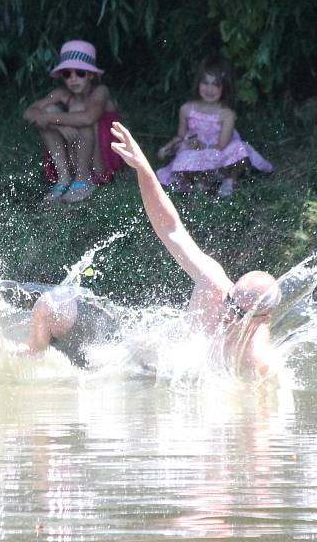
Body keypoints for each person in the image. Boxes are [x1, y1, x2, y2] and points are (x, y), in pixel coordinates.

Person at [28, 121, 282, 377]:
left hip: (149, 388)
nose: (229, 311)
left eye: (239, 313)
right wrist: (143, 167)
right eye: (231, 300)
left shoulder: (257, 361)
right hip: (133, 364)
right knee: (50, 305)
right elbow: (170, 228)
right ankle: (28, 363)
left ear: (262, 320)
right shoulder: (214, 284)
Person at [155, 55, 273, 197]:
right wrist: (167, 147)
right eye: (205, 83)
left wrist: (204, 146)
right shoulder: (187, 109)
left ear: (225, 87)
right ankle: (202, 182)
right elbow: (180, 136)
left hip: (217, 150)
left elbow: (222, 145)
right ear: (198, 83)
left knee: (239, 149)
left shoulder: (226, 114)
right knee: (184, 157)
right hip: (195, 150)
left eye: (216, 84)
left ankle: (229, 180)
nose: (209, 89)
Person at [23, 40, 122, 203]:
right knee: (49, 109)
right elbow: (29, 113)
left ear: (91, 75)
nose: (73, 78)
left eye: (80, 73)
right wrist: (56, 125)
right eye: (67, 74)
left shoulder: (100, 92)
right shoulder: (62, 94)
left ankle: (84, 180)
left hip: (100, 158)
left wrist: (48, 120)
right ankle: (64, 178)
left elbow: (88, 117)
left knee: (73, 117)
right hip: (75, 152)